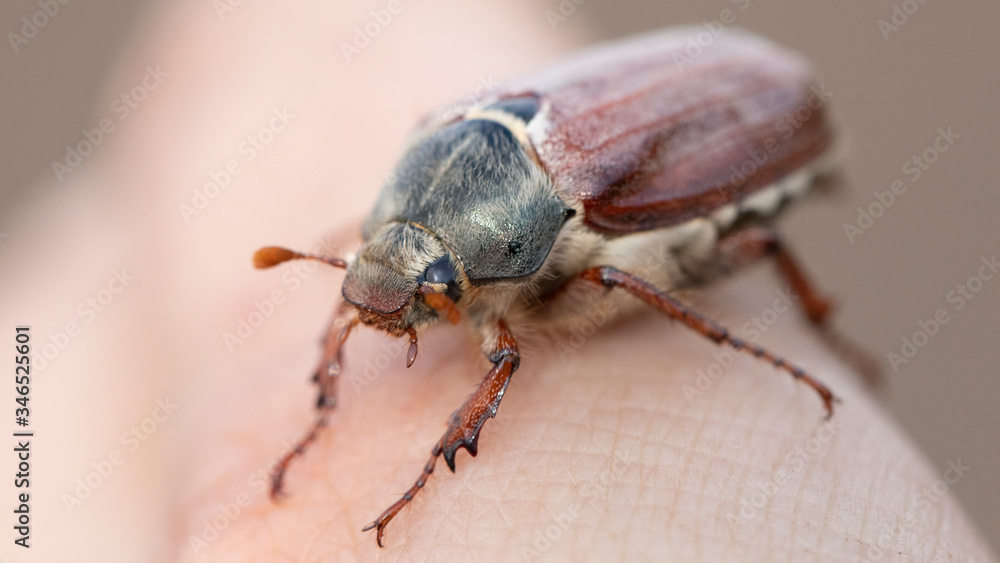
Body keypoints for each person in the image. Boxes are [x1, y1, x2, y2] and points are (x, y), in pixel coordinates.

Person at [9, 1, 993, 561]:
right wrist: (324, 393)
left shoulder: (561, 242)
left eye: (431, 290)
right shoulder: (419, 176)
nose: (403, 309)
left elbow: (508, 345)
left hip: (756, 122)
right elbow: (365, 273)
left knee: (664, 274)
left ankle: (756, 335)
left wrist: (740, 343)